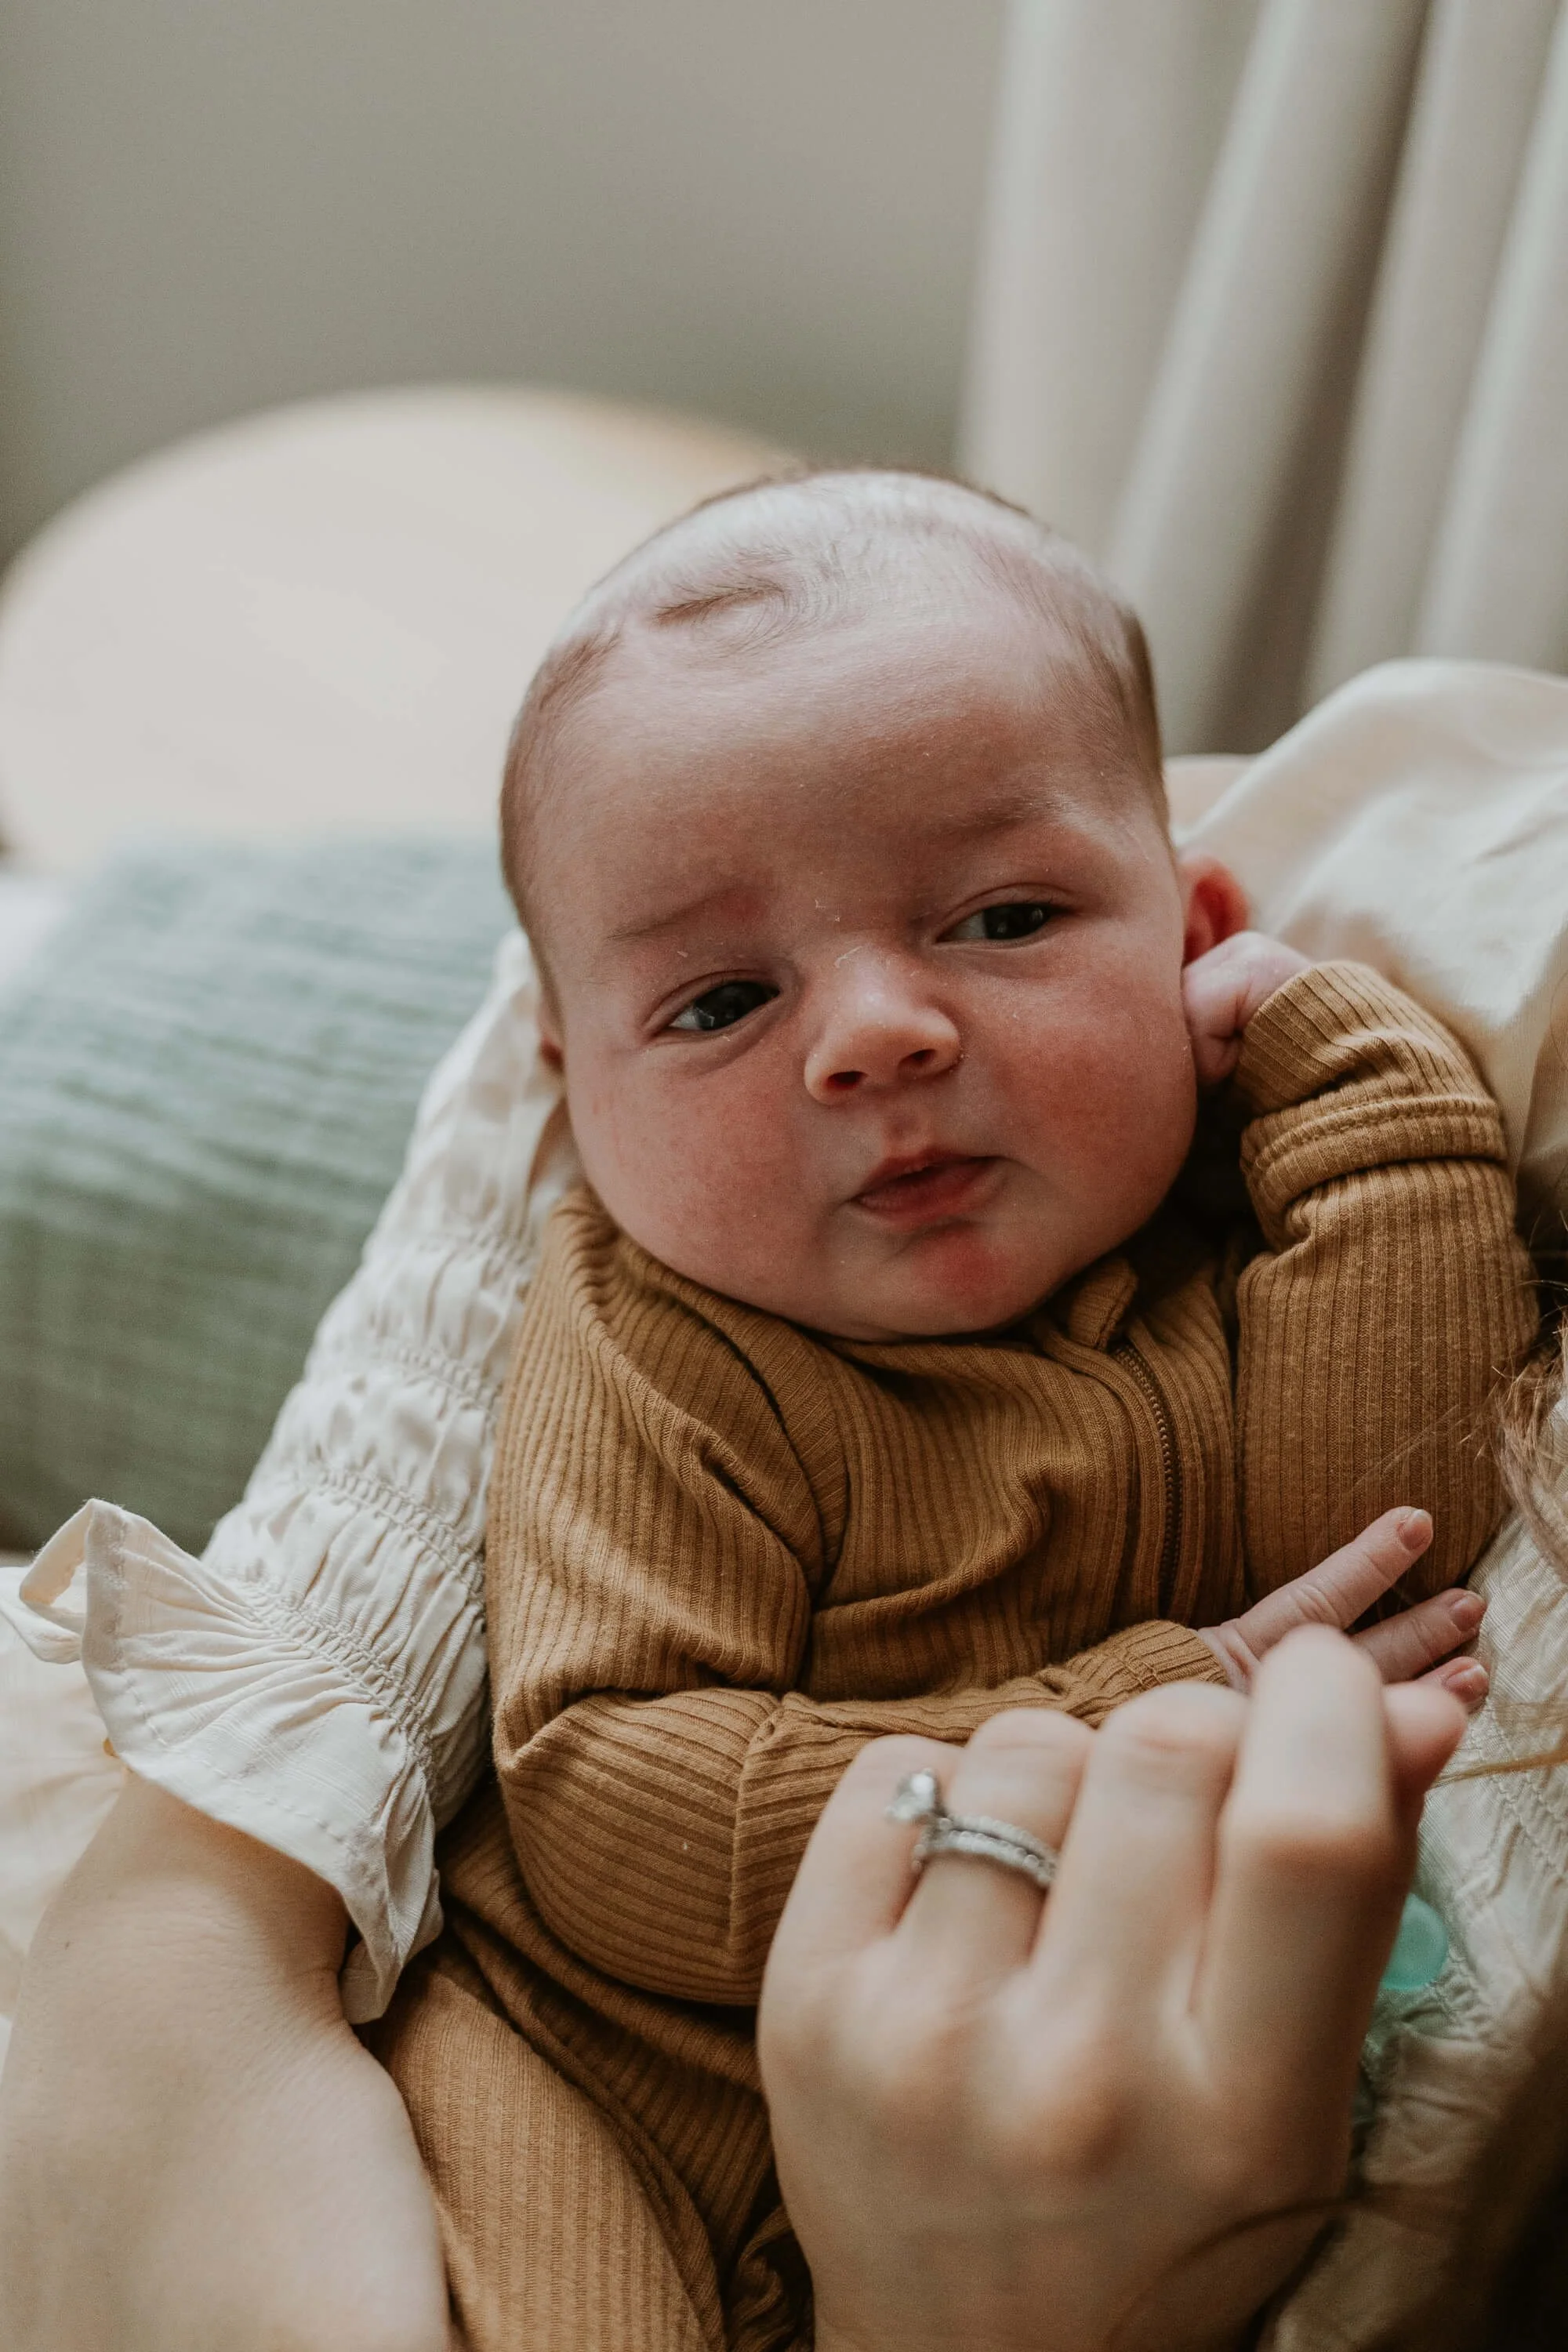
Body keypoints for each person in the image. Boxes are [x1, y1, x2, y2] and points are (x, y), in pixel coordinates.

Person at [0, 470, 1534, 2350]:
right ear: (571, 1081)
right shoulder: (657, 1340)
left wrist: (1345, 1067)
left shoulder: (1218, 1246)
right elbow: (607, 1798)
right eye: (723, 1000)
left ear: (1193, 926)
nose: (874, 1033)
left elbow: (1393, 1531)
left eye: (1006, 916)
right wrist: (1156, 1701)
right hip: (599, 2094)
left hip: (1041, 2137)